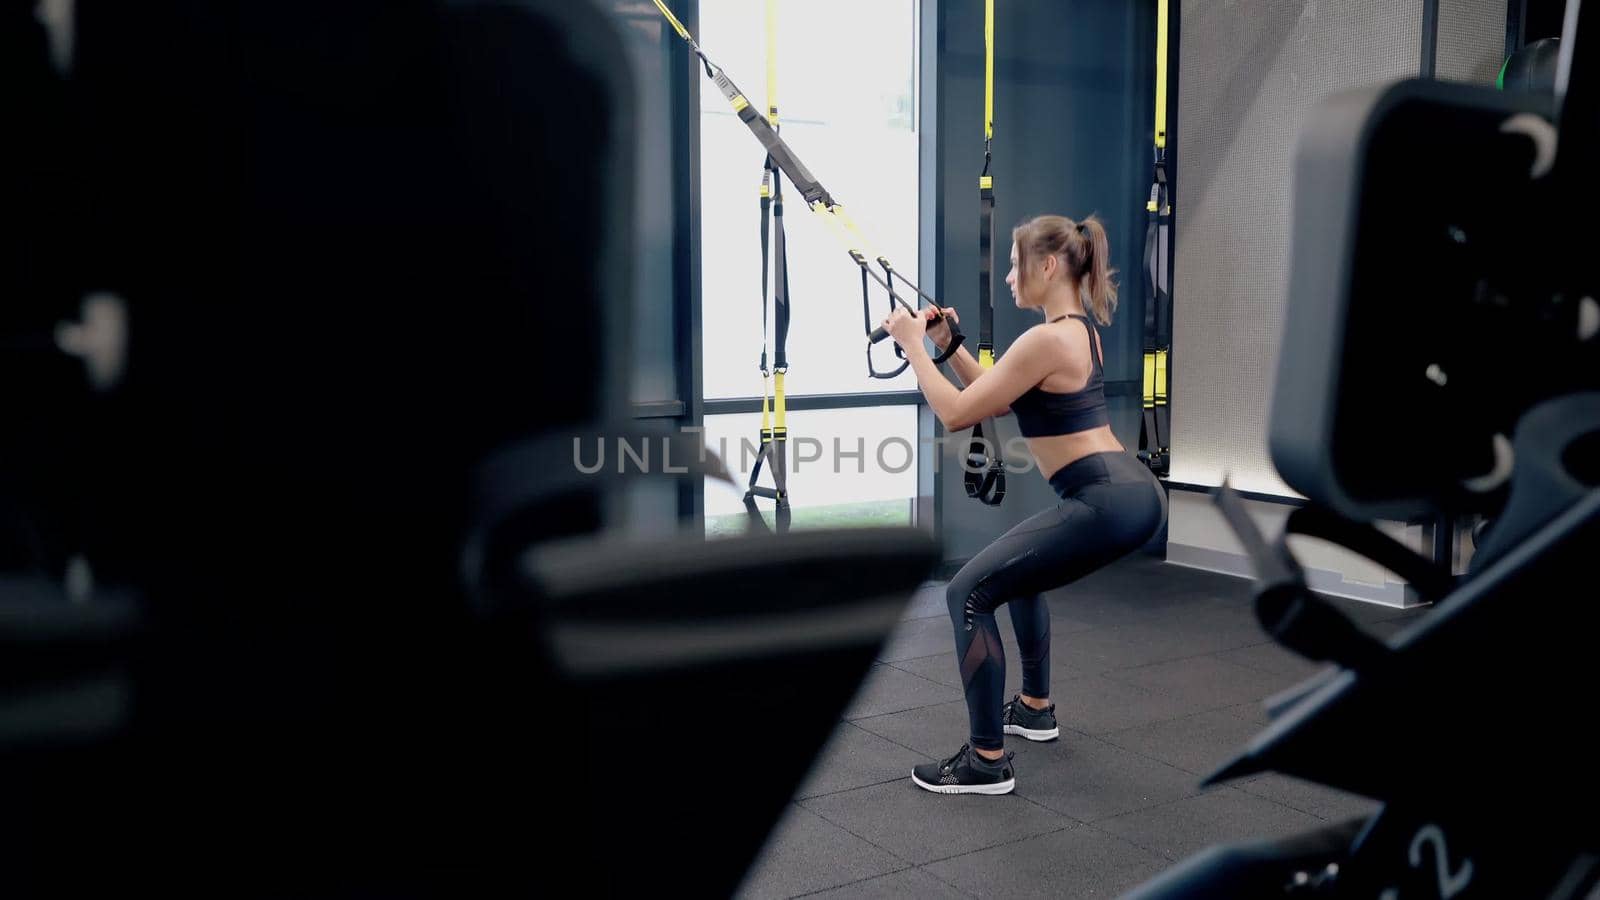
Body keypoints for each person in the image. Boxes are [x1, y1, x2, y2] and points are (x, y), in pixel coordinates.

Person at [882, 214, 1168, 796]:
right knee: (1017, 577)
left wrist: (912, 347)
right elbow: (998, 394)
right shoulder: (1074, 332)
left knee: (966, 594)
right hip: (1128, 493)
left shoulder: (1046, 338)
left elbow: (958, 413)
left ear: (1047, 266)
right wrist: (947, 346)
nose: (1009, 277)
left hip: (1106, 498)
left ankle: (986, 761)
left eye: (1015, 265)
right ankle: (1034, 708)